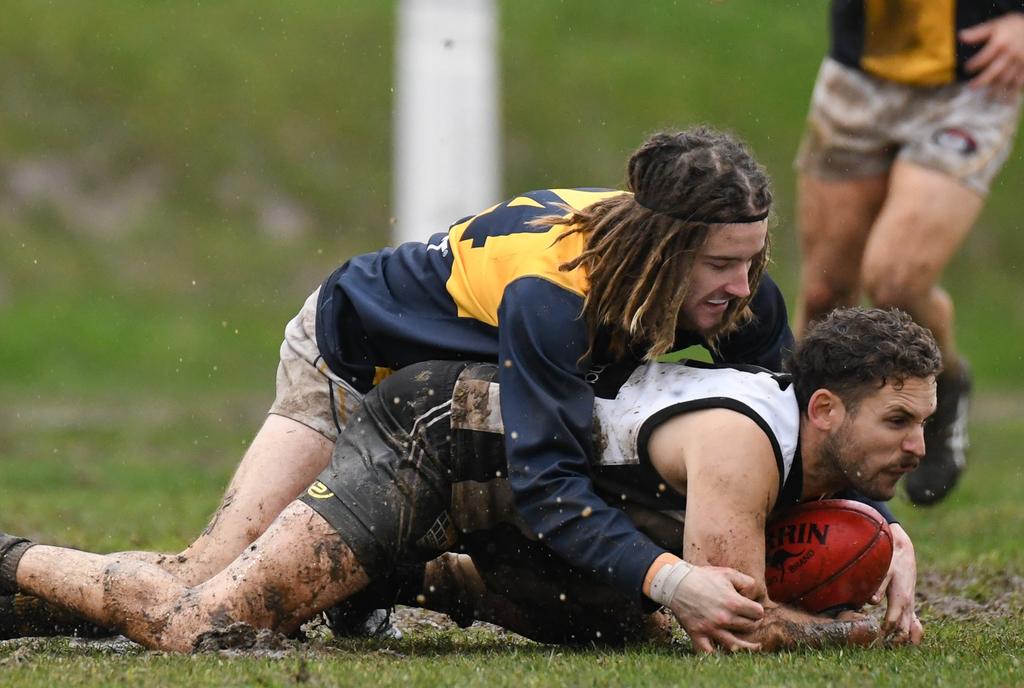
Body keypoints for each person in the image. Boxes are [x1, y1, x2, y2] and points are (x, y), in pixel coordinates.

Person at [7, 127, 792, 640]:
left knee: (236, 604)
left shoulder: (728, 293)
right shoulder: (552, 296)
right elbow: (548, 484)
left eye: (753, 259)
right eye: (721, 264)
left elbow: (796, 424)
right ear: (658, 251)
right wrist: (674, 581)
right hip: (348, 356)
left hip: (431, 406)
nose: (743, 287)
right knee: (205, 584)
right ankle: (15, 565)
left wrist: (873, 523)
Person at [0, 306, 940, 652]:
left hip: (512, 500)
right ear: (823, 412)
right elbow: (732, 625)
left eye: (924, 425)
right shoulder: (744, 443)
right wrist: (860, 630)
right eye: (898, 423)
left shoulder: (812, 440)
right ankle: (13, 561)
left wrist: (890, 537)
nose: (917, 449)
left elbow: (851, 504)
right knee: (202, 622)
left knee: (631, 620)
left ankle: (408, 578)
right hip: (439, 439)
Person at [705, 0, 1024, 505]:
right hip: (862, 70)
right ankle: (798, 479)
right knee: (825, 293)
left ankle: (946, 381)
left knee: (896, 277)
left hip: (974, 78)